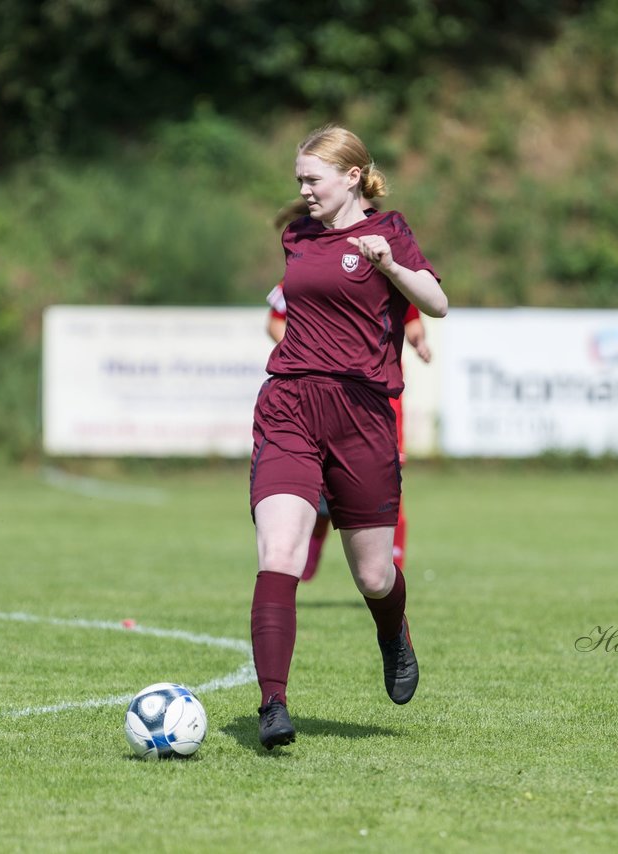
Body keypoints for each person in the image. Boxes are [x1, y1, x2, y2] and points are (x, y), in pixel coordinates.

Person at [250, 125, 447, 750]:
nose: (303, 191)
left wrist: (390, 264)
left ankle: (394, 632)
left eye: (313, 179)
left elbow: (437, 303)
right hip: (289, 406)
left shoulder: (390, 234)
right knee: (278, 553)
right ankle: (273, 705)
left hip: (362, 413)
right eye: (299, 180)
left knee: (372, 576)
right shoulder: (297, 236)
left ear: (352, 177)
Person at [266, 282, 431, 581]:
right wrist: (299, 350)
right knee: (322, 483)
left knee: (388, 487)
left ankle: (390, 575)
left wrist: (419, 341)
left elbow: (413, 319)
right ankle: (313, 541)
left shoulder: (392, 276)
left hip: (380, 399)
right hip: (326, 397)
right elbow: (275, 320)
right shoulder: (316, 269)